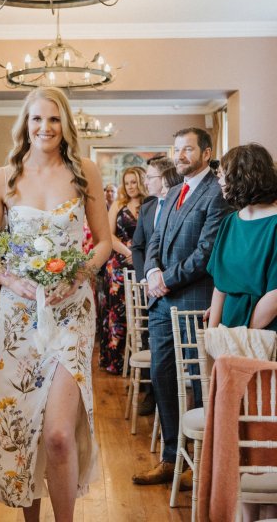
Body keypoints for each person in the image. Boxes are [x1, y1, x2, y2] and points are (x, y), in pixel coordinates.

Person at [0, 86, 111, 522]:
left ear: (65, 124)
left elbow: (104, 242)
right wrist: (14, 282)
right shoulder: (4, 177)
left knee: (56, 432)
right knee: (24, 426)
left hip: (72, 310)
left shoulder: (85, 171)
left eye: (54, 119)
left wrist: (77, 275)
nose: (45, 127)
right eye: (37, 119)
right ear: (25, 123)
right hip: (19, 315)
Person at [132, 127, 229, 486]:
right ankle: (173, 459)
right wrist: (153, 270)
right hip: (161, 305)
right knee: (162, 378)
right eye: (177, 150)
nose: (180, 156)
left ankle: (205, 465)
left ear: (206, 153)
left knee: (200, 382)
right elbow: (154, 239)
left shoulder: (216, 195)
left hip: (193, 302)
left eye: (188, 149)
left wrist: (166, 279)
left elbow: (206, 253)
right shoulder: (172, 192)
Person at [208, 143, 277, 330]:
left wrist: (242, 335)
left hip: (264, 335)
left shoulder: (274, 226)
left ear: (243, 177)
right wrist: (213, 334)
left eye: (223, 175)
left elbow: (275, 296)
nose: (219, 182)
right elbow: (220, 286)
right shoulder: (229, 223)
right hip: (228, 332)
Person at [130, 157, 175, 415]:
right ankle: (151, 395)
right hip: (150, 283)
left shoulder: (177, 203)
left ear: (165, 179)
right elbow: (139, 246)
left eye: (150, 177)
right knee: (151, 339)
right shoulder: (147, 208)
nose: (145, 181)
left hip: (173, 282)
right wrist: (145, 275)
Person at [100, 166, 147, 375]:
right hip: (119, 261)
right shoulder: (118, 205)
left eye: (134, 182)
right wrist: (128, 252)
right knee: (117, 311)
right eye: (127, 182)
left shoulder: (150, 203)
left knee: (141, 311)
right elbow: (109, 235)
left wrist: (138, 255)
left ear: (141, 182)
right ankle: (115, 361)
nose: (130, 186)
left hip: (144, 260)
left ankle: (139, 359)